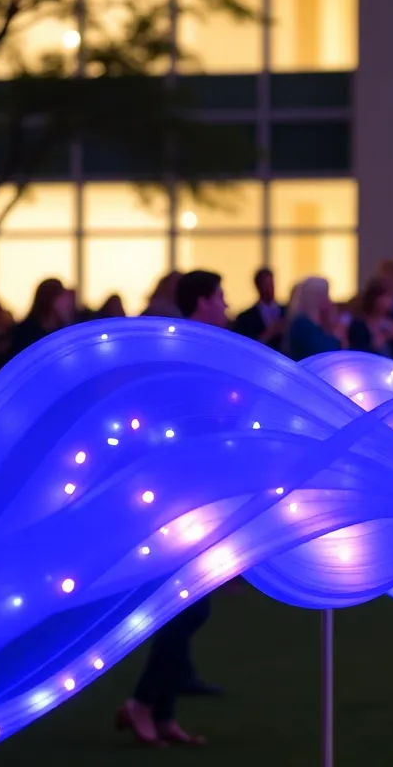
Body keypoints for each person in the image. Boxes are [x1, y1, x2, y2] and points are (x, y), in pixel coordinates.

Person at [115, 269, 228, 748]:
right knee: (186, 606)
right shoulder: (184, 347)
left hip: (194, 490)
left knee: (186, 605)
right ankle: (141, 705)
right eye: (220, 296)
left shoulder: (205, 347)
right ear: (201, 302)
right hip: (171, 495)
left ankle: (163, 716)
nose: (226, 304)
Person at [231, 267, 285, 348]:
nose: (270, 289)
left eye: (271, 284)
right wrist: (268, 333)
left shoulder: (286, 311)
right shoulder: (246, 318)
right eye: (266, 285)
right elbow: (246, 346)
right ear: (258, 287)